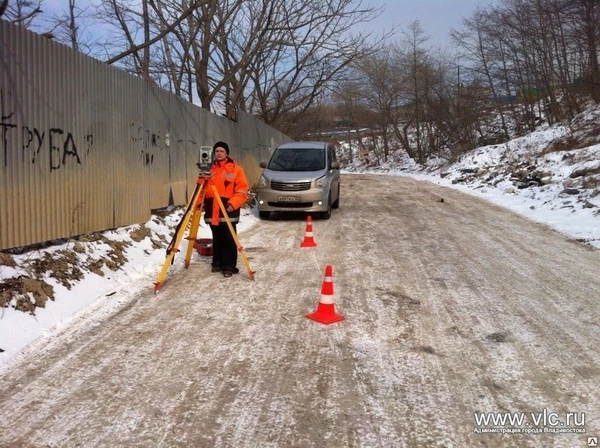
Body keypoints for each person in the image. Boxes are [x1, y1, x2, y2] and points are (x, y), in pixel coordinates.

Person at [203, 141, 249, 277]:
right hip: (212, 209)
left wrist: (233, 204)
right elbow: (202, 190)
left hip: (228, 209)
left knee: (228, 238)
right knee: (216, 237)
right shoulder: (209, 169)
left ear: (226, 153)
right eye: (217, 151)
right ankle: (217, 262)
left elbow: (242, 190)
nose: (219, 153)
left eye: (221, 151)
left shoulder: (236, 169)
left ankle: (229, 266)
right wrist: (199, 204)